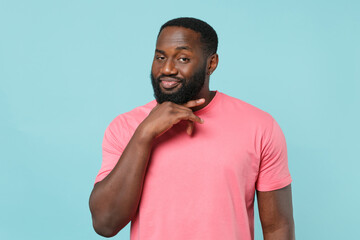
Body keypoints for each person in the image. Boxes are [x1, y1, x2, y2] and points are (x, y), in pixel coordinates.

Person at [89, 17, 295, 240]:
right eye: (160, 57)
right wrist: (144, 133)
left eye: (183, 58)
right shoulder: (125, 127)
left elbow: (277, 228)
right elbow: (105, 224)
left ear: (211, 64)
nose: (167, 68)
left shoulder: (260, 126)